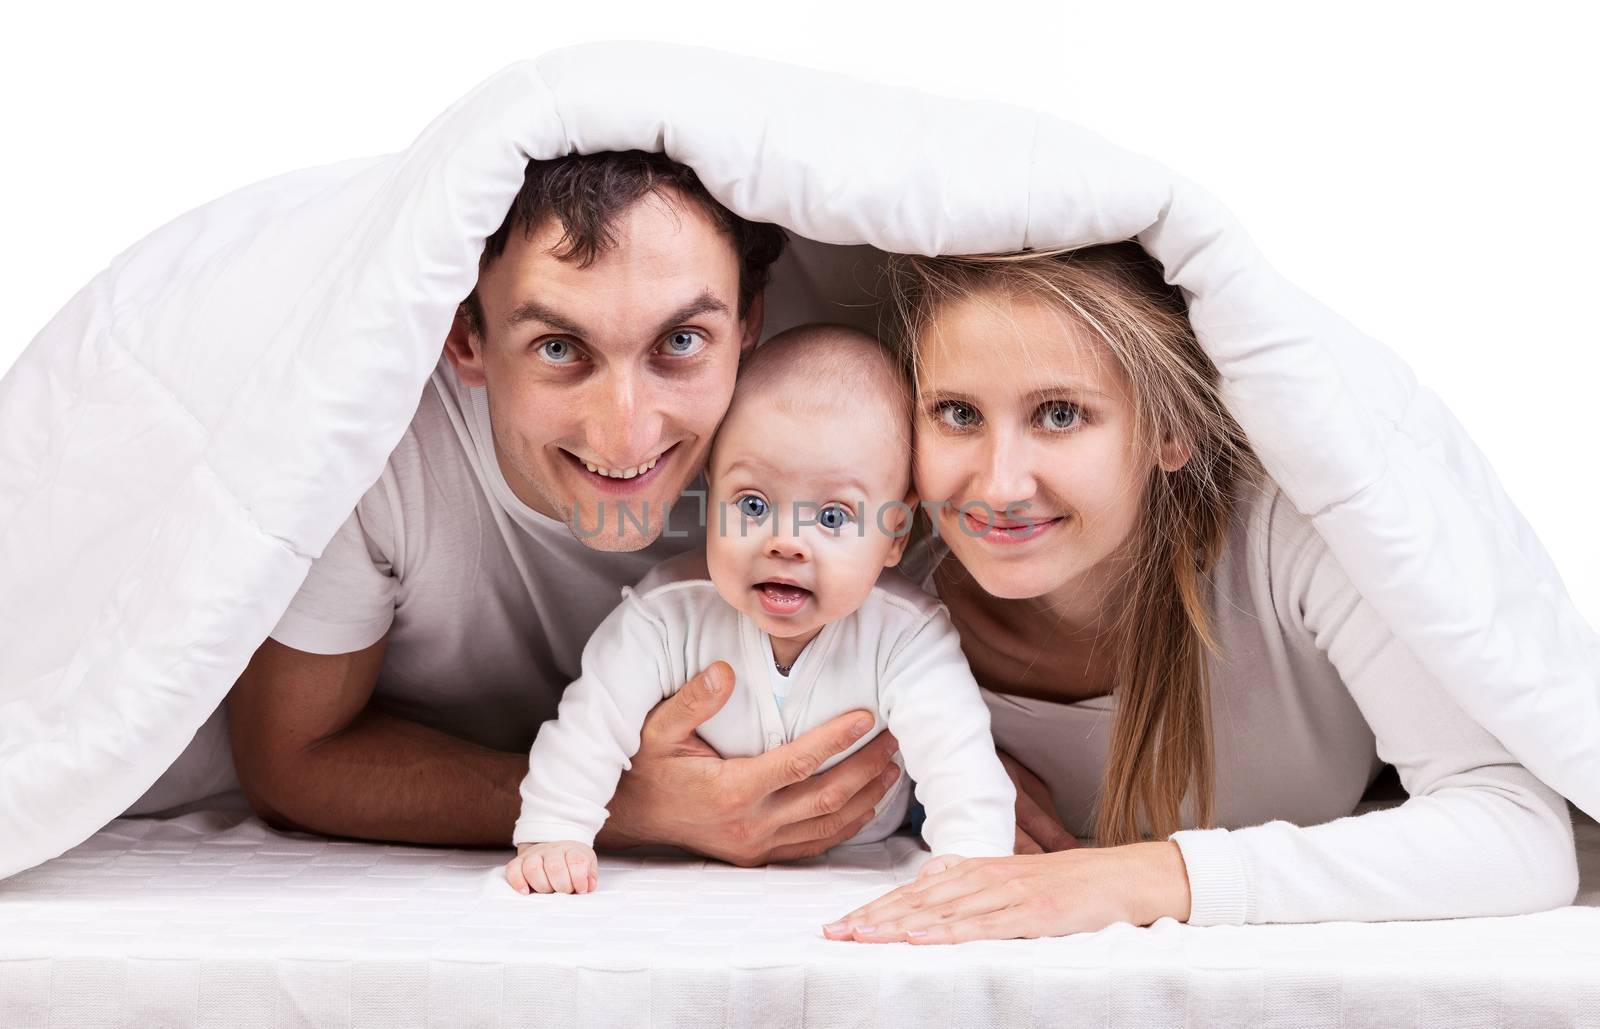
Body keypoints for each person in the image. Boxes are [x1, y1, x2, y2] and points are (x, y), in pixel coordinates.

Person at [822, 242, 1580, 943]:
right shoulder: (877, 606)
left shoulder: (1294, 537)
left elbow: (1521, 833)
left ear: (1170, 431)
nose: (999, 483)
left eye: (1060, 414)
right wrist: (923, 786)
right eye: (958, 414)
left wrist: (1144, 878)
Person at [224, 152, 908, 866]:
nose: (627, 436)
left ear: (747, 326)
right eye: (559, 347)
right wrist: (619, 807)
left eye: (680, 343)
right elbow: (287, 760)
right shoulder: (374, 447)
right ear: (467, 340)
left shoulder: (833, 411)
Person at [504, 325, 1015, 894]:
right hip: (693, 853)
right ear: (708, 497)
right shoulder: (667, 616)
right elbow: (590, 726)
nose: (785, 542)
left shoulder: (906, 635)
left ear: (895, 532)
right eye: (752, 504)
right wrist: (556, 830)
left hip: (863, 851)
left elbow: (957, 755)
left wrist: (973, 856)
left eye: (832, 518)